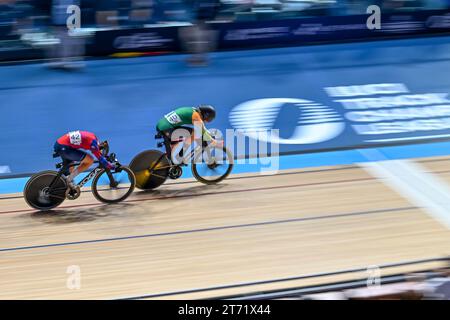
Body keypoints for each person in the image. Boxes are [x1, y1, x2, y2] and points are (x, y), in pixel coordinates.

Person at [156, 104, 221, 162]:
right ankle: (179, 155)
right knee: (194, 133)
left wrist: (208, 135)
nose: (207, 121)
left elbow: (203, 128)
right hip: (166, 128)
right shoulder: (196, 116)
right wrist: (212, 140)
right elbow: (202, 130)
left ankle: (175, 156)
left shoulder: (194, 111)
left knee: (189, 135)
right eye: (209, 119)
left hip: (164, 126)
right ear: (206, 115)